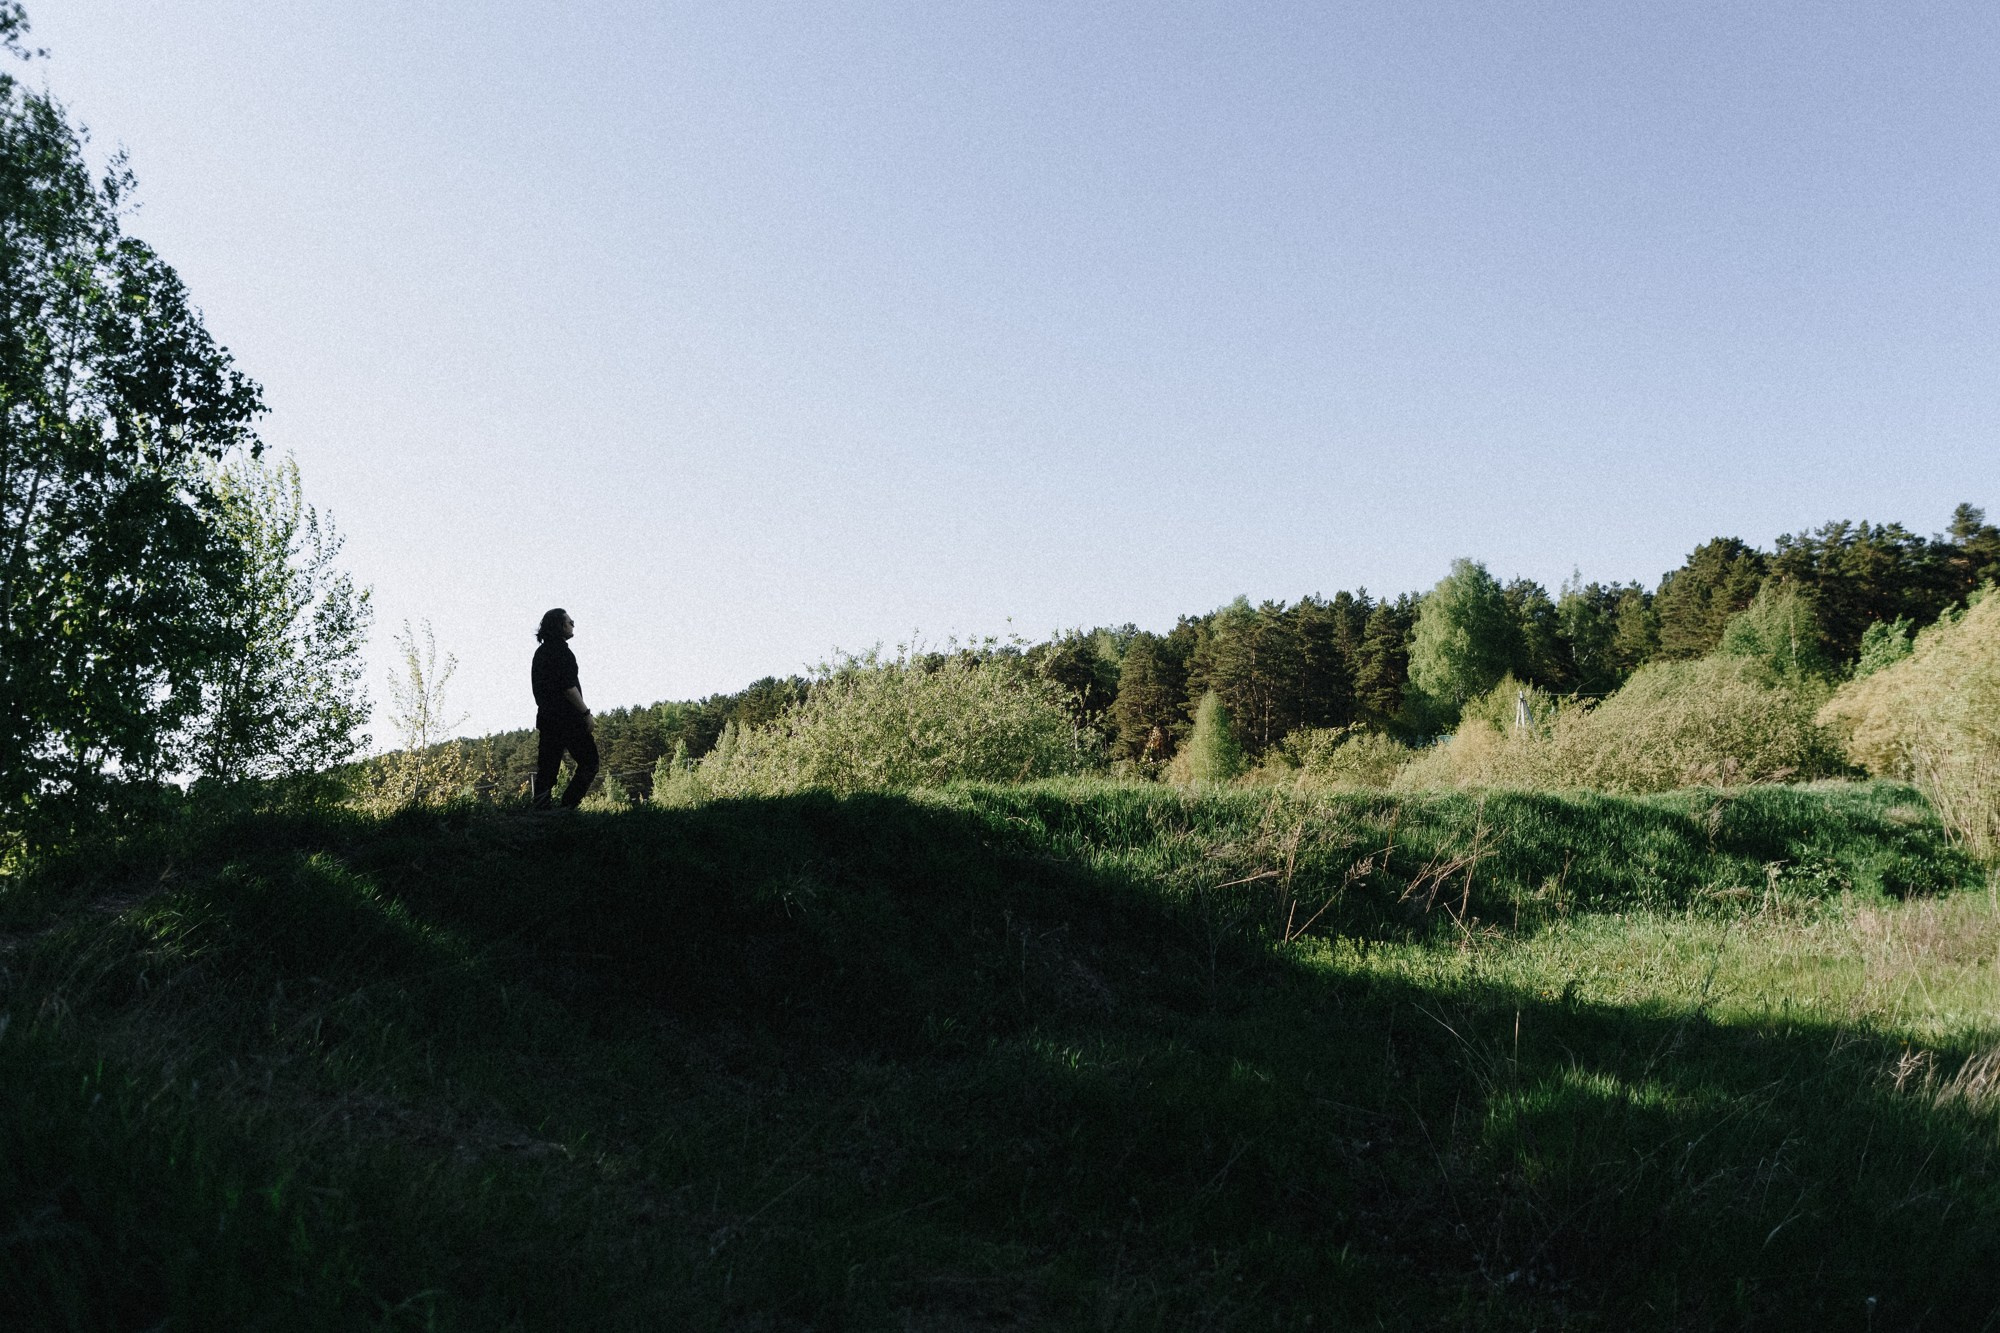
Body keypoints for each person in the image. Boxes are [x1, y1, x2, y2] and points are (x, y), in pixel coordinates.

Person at [530, 608, 599, 810]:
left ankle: (541, 812)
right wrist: (586, 714)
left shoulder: (540, 653)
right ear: (559, 626)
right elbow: (569, 688)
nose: (573, 625)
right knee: (590, 762)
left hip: (547, 719)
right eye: (570, 622)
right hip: (569, 720)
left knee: (547, 769)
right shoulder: (562, 653)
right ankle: (567, 808)